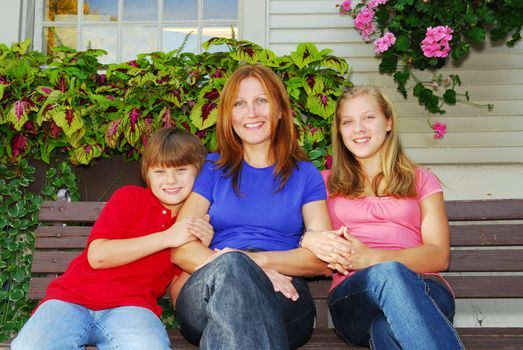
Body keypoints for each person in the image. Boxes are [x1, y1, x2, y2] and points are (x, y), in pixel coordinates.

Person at [169, 64, 332, 349]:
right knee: (232, 270)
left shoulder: (305, 175)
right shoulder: (212, 169)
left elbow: (321, 259)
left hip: (284, 290)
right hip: (210, 286)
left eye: (262, 101)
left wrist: (255, 264)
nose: (252, 113)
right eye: (240, 104)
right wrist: (236, 266)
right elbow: (181, 248)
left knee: (236, 274)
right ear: (229, 115)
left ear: (280, 109)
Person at [12, 127, 213, 350]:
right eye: (160, 172)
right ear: (147, 174)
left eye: (182, 170)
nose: (171, 180)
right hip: (70, 300)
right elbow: (97, 256)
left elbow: (178, 297)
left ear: (199, 173)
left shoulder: (192, 221)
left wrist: (196, 255)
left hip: (132, 309)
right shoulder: (130, 198)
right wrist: (167, 237)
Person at [300, 86, 464, 349]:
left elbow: (439, 255)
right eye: (348, 122)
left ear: (388, 122)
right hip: (354, 297)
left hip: (425, 288)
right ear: (340, 131)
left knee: (386, 329)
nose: (358, 129)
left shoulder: (422, 180)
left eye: (368, 118)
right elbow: (295, 231)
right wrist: (308, 239)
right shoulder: (323, 183)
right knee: (388, 275)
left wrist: (372, 258)